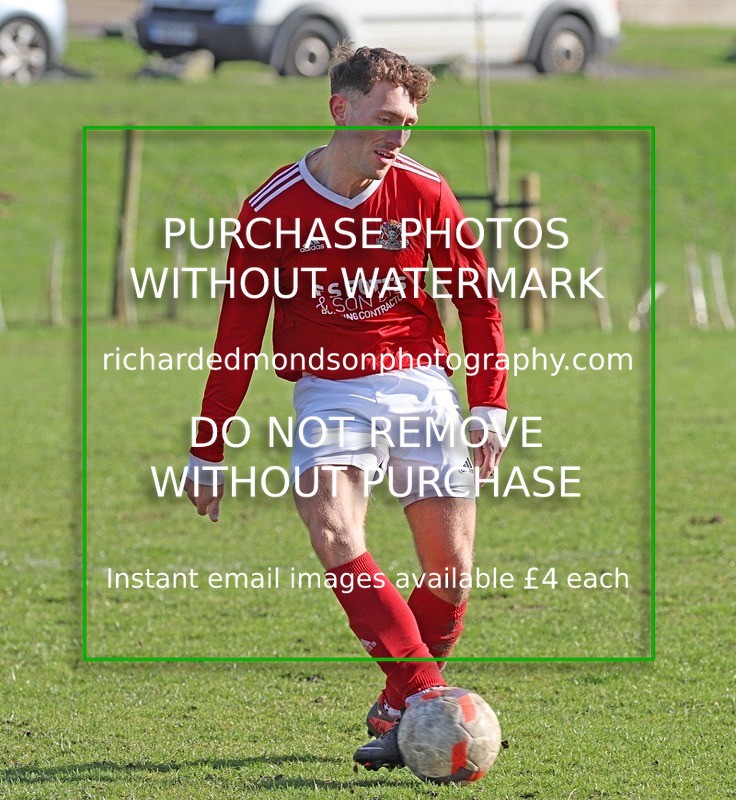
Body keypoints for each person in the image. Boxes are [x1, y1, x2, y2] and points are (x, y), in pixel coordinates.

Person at [184, 42, 508, 771]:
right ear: (340, 109)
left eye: (410, 125)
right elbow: (236, 336)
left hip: (420, 380)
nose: (399, 138)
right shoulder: (272, 210)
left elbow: (478, 302)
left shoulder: (425, 191)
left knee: (450, 573)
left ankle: (400, 708)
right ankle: (429, 692)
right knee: (331, 527)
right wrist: (208, 446)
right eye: (387, 120)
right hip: (329, 387)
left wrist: (489, 406)